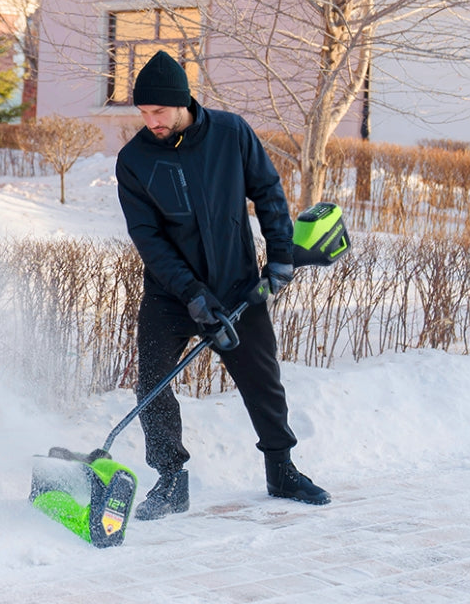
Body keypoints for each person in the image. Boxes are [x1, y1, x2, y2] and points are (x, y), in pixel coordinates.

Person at [115, 49, 330, 520]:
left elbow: (268, 192)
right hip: (172, 294)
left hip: (237, 285)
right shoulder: (134, 160)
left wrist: (279, 256)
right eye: (144, 112)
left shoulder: (232, 133)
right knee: (152, 384)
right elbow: (147, 238)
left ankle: (282, 469)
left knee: (263, 380)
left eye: (159, 111)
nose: (150, 121)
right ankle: (171, 479)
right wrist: (191, 294)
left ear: (182, 102)